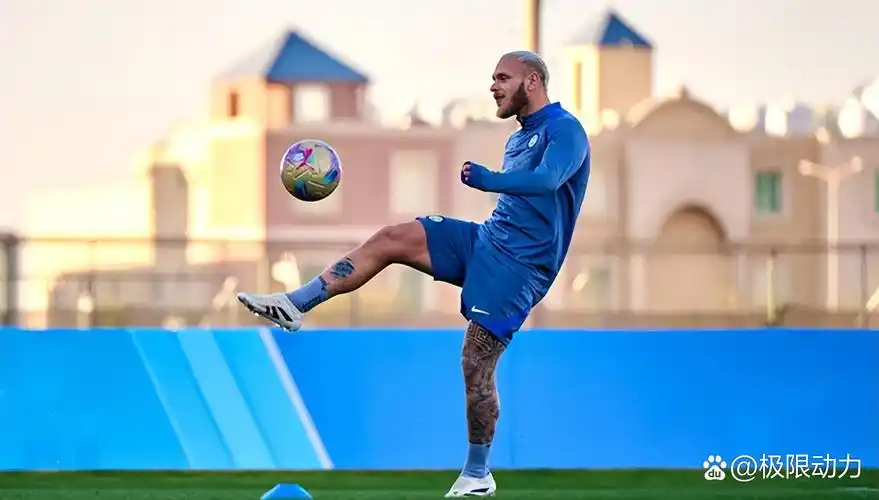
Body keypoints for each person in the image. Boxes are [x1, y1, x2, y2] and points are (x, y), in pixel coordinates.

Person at [237, 50, 590, 497]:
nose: (493, 86)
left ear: (533, 81)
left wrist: (490, 180)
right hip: (487, 240)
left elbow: (547, 181)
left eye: (503, 78)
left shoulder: (566, 130)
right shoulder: (518, 138)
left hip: (519, 269)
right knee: (393, 237)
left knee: (476, 362)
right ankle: (295, 303)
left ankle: (478, 474)